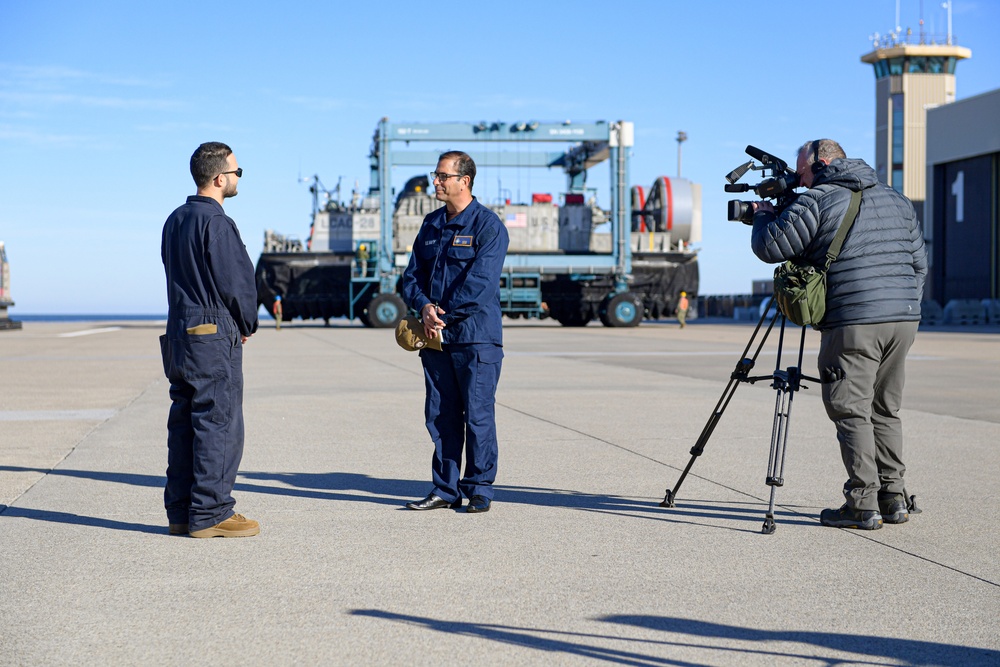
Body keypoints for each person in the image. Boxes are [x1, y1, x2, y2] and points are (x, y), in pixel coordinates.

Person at [750, 139, 927, 530]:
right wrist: (904, 306)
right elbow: (919, 263)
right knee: (885, 408)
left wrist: (763, 215)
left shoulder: (818, 199)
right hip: (903, 319)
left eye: (802, 172)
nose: (799, 179)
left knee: (850, 409)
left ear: (824, 162)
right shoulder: (897, 200)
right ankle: (892, 498)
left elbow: (771, 246)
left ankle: (862, 505)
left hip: (854, 322)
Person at [159, 142, 260, 538]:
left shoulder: (175, 219)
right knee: (218, 422)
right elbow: (237, 283)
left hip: (179, 332)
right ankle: (212, 513)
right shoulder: (216, 223)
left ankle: (181, 512)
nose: (237, 178)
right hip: (212, 334)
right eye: (237, 172)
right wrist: (245, 323)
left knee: (183, 423)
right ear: (220, 178)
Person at [400, 151, 510, 514]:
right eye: (435, 175)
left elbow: (480, 284)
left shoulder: (488, 226)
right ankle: (445, 489)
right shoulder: (431, 224)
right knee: (441, 415)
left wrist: (440, 314)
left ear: (464, 180)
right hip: (436, 340)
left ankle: (479, 488)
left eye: (442, 176)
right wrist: (423, 307)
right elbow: (411, 276)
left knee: (477, 415)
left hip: (476, 338)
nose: (436, 182)